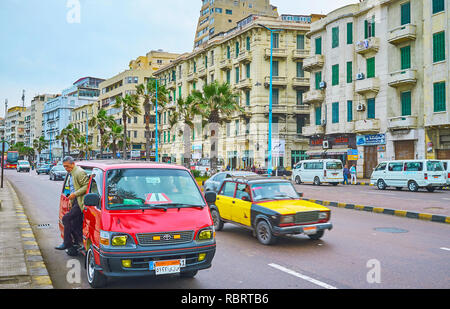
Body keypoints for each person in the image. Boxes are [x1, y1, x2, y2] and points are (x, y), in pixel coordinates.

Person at [55, 156, 90, 254]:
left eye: (67, 166)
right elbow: (72, 188)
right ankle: (76, 243)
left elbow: (86, 186)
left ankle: (67, 243)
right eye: (64, 167)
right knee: (75, 224)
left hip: (81, 202)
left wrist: (75, 194)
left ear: (72, 164)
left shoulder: (79, 172)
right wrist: (71, 199)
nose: (66, 168)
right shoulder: (71, 173)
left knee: (66, 219)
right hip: (75, 200)